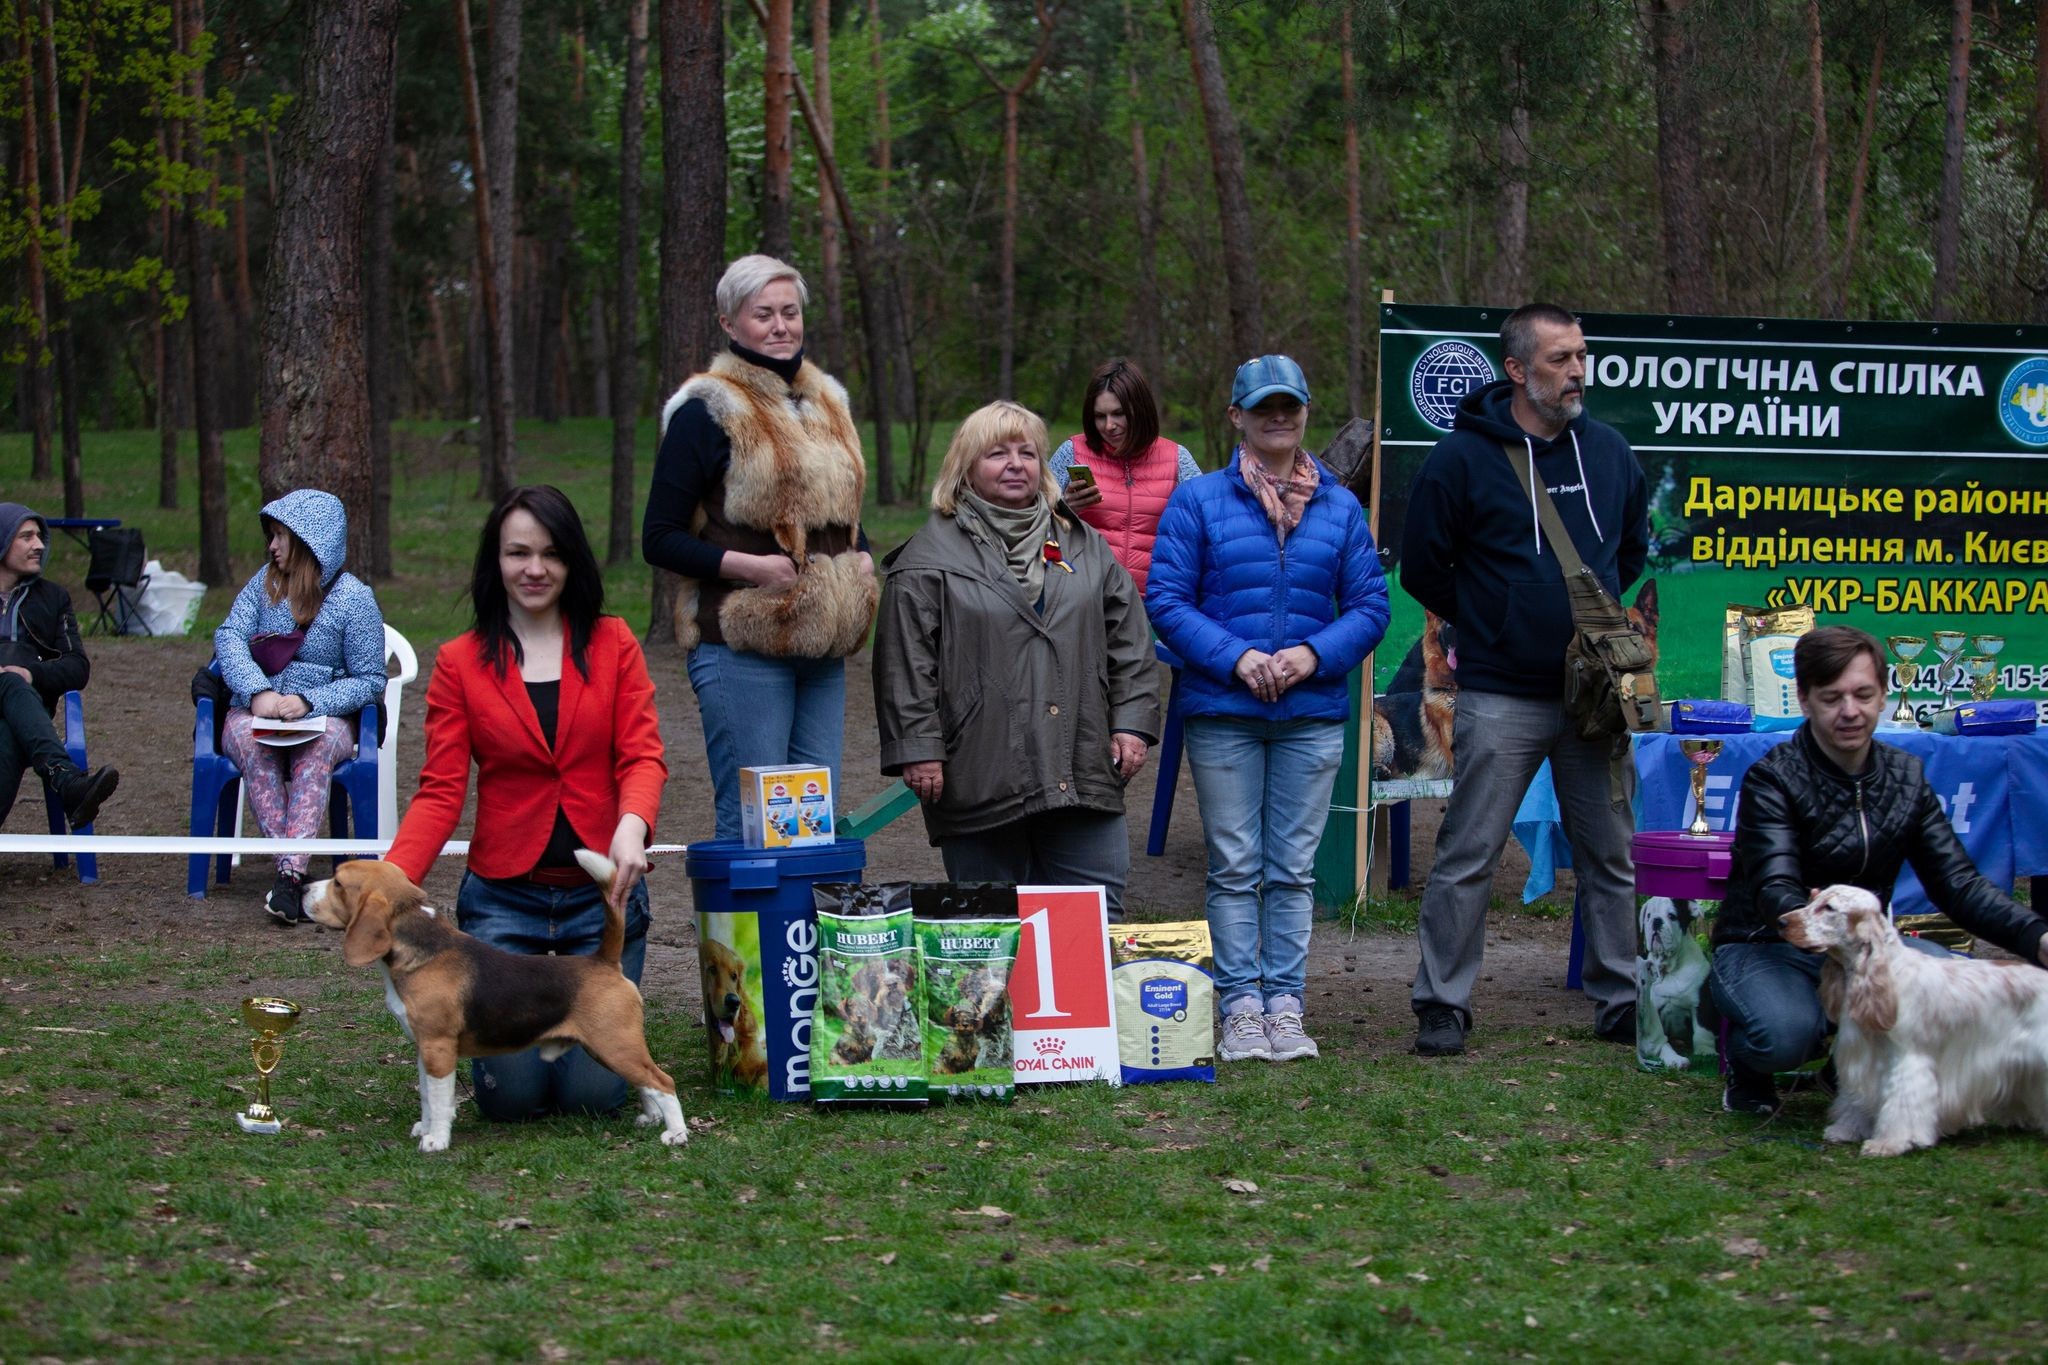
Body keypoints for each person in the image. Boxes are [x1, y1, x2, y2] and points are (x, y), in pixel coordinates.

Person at [1400, 302, 1649, 1057]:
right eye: (1558, 359)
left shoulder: (1608, 452)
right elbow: (1423, 568)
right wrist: (1499, 622)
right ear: (1515, 370)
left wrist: (1584, 636)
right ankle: (1442, 1002)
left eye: (1581, 355)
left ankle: (1622, 996)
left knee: (1611, 853)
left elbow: (1629, 553)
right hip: (1502, 693)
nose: (1577, 370)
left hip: (1594, 697)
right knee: (1468, 851)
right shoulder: (1460, 460)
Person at [385, 486, 668, 1123]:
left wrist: (631, 827)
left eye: (550, 553)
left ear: (572, 563)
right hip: (502, 906)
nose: (534, 569)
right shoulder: (459, 662)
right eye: (518, 553)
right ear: (497, 561)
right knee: (511, 1103)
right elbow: (440, 790)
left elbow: (643, 756)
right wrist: (389, 886)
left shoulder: (615, 643)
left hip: (601, 905)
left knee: (591, 1100)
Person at [1146, 355, 1389, 1063]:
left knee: (1292, 868)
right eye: (1263, 407)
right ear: (1237, 417)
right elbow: (1166, 600)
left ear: (1306, 412)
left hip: (1311, 715)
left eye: (1290, 406)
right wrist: (1236, 657)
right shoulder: (1198, 503)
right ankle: (1240, 1006)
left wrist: (1314, 655)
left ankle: (1286, 1004)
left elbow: (1372, 606)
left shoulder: (1341, 507)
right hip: (1224, 710)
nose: (1278, 417)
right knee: (1235, 863)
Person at [1709, 626, 2048, 1115]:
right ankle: (1750, 1067)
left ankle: (1845, 1067)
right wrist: (1812, 918)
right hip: (1766, 944)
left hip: (1864, 947)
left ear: (1884, 697)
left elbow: (1958, 883)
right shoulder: (1772, 778)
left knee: (1953, 990)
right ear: (1804, 700)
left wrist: (2036, 937)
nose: (1850, 711)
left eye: (1864, 695)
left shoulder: (1906, 776)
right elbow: (1774, 884)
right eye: (1832, 698)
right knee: (1785, 1035)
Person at [873, 400, 1159, 917]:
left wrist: (1133, 726)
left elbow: (1131, 645)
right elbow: (904, 666)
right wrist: (918, 748)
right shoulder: (926, 560)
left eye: (1027, 453)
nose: (1015, 463)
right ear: (964, 467)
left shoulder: (1084, 545)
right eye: (997, 453)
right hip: (979, 772)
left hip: (1083, 766)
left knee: (1092, 920)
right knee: (988, 928)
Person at [642, 254, 875, 841]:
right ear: (729, 323)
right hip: (741, 640)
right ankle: (740, 937)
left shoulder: (828, 399)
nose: (780, 326)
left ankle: (796, 935)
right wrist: (750, 567)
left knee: (812, 824)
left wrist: (862, 554)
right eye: (762, 314)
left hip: (823, 642)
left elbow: (837, 508)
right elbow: (659, 538)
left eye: (789, 313)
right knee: (755, 824)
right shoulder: (706, 410)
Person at [215, 490, 386, 924]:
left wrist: (310, 702)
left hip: (324, 719)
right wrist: (258, 693)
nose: (271, 547)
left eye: (280, 537)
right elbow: (229, 637)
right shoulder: (262, 585)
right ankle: (292, 877)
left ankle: (289, 878)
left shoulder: (355, 599)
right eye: (270, 536)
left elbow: (370, 680)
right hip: (253, 710)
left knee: (316, 754)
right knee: (253, 748)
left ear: (311, 541)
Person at [0, 503, 118, 830]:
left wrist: (31, 673)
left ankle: (68, 784)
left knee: (8, 733)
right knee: (8, 684)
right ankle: (67, 784)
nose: (38, 544)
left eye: (39, 536)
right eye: (26, 537)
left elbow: (78, 667)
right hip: (27, 716)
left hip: (26, 719)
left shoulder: (52, 597)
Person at [1047, 358, 1201, 597]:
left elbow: (1205, 531)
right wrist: (1064, 509)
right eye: (1100, 416)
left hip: (1155, 604)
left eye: (1119, 414)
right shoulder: (1072, 452)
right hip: (1085, 600)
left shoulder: (1177, 459)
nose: (1109, 426)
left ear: (1140, 410)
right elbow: (1032, 523)